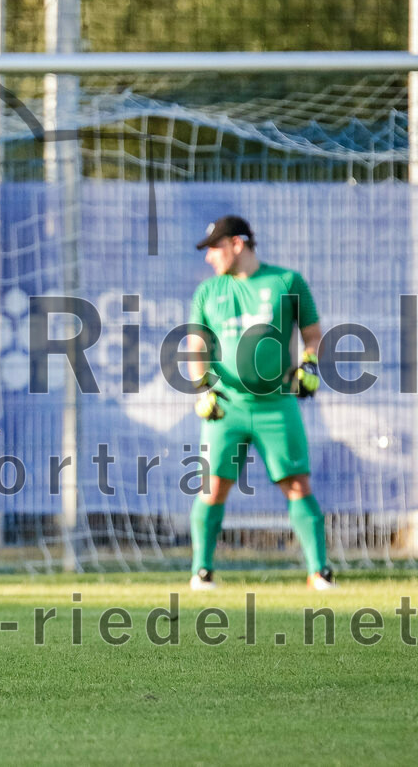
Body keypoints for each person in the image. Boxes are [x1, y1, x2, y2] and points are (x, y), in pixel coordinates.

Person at [186, 215, 333, 591]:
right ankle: (202, 571)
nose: (209, 258)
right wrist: (201, 389)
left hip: (276, 403)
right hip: (227, 405)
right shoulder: (208, 292)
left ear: (238, 244)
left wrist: (310, 363)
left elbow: (313, 335)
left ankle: (320, 571)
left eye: (214, 249)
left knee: (296, 484)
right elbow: (196, 345)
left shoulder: (286, 281)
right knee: (214, 486)